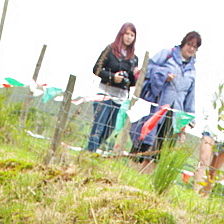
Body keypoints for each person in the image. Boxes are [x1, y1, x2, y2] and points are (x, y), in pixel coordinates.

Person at [130, 31, 201, 161]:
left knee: (163, 149)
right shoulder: (167, 55)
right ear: (183, 43)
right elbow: (147, 68)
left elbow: (190, 95)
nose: (191, 48)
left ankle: (150, 177)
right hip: (156, 106)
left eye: (194, 47)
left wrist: (190, 117)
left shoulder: (192, 70)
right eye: (189, 44)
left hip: (174, 113)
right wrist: (163, 75)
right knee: (144, 140)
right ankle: (132, 168)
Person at [86, 24, 138, 153]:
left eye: (132, 35)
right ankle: (89, 152)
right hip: (104, 93)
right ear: (121, 34)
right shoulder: (110, 50)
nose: (129, 37)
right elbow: (96, 69)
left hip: (120, 98)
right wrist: (112, 77)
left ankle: (94, 150)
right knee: (99, 125)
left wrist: (135, 75)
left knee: (110, 128)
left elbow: (131, 83)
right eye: (127, 34)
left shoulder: (134, 58)